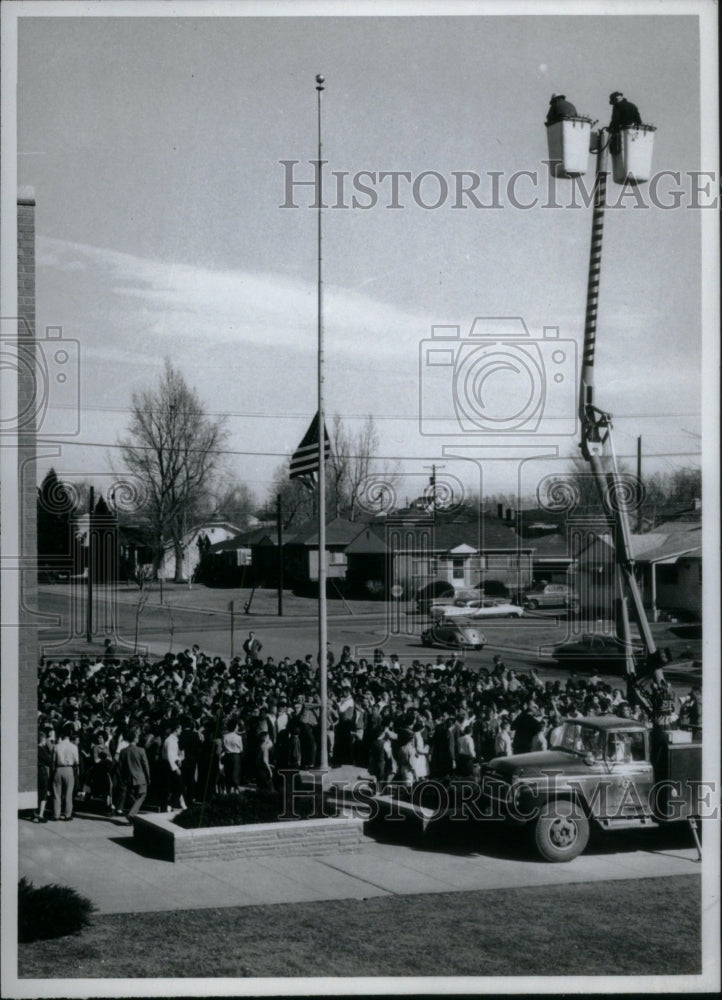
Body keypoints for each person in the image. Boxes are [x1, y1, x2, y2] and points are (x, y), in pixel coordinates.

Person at [117, 727, 151, 821]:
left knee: (133, 796)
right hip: (140, 777)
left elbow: (120, 767)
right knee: (142, 795)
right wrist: (148, 778)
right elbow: (145, 765)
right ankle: (131, 814)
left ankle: (132, 813)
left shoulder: (123, 751)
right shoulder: (141, 750)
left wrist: (123, 778)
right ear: (135, 739)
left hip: (128, 778)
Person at [52, 722, 79, 821]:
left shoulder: (57, 746)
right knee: (68, 793)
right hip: (69, 769)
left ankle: (56, 814)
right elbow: (77, 761)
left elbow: (53, 760)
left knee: (56, 793)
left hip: (58, 768)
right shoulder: (74, 747)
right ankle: (67, 814)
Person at [33, 726, 55, 822]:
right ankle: (41, 815)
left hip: (34, 772)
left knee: (36, 793)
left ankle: (34, 813)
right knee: (43, 793)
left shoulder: (33, 749)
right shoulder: (42, 750)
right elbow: (49, 761)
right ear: (42, 739)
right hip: (42, 771)